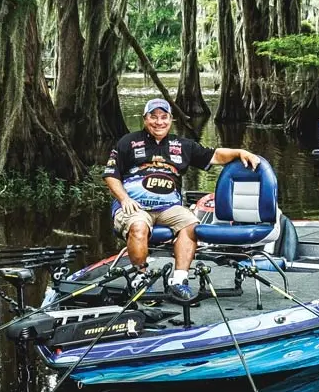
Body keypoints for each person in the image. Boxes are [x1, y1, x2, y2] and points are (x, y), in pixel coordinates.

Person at [102, 97, 260, 301]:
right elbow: (110, 175)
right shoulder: (128, 142)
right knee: (138, 226)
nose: (159, 122)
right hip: (135, 206)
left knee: (191, 224)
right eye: (153, 117)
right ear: (145, 119)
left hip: (169, 207)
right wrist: (124, 199)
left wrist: (241, 152)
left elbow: (216, 155)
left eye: (164, 117)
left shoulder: (182, 145)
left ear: (170, 120)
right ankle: (141, 277)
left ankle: (179, 279)